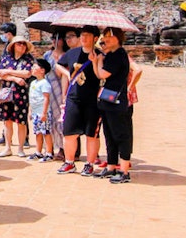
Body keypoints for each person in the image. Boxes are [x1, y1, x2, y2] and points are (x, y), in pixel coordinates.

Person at [56, 25, 103, 175]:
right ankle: (69, 161)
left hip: (92, 99)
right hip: (74, 98)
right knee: (69, 132)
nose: (84, 38)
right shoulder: (72, 53)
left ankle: (89, 163)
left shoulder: (100, 55)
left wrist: (95, 62)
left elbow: (101, 76)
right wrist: (68, 73)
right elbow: (58, 64)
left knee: (92, 134)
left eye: (88, 35)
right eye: (82, 35)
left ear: (95, 38)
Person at [92, 27, 132, 183]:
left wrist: (99, 61)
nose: (105, 40)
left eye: (109, 37)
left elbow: (103, 74)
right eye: (105, 37)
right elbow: (98, 75)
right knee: (109, 135)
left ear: (118, 38)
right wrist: (97, 61)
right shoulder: (110, 55)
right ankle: (111, 166)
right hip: (107, 100)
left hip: (116, 101)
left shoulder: (119, 55)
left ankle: (124, 170)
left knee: (121, 135)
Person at [0, 36, 35, 158]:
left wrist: (8, 72)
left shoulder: (28, 59)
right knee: (7, 121)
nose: (22, 46)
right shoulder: (7, 58)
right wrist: (15, 78)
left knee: (21, 122)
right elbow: (0, 73)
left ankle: (20, 148)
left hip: (21, 94)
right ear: (13, 46)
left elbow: (27, 73)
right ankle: (8, 147)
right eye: (19, 44)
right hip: (7, 93)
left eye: (23, 44)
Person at [44, 28, 78, 160]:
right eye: (53, 38)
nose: (55, 41)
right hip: (48, 88)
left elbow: (64, 75)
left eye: (57, 38)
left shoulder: (66, 55)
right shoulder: (47, 55)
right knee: (49, 118)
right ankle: (50, 147)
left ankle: (64, 149)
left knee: (61, 119)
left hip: (60, 88)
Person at [0, 22, 17, 146]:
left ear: (8, 34)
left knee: (19, 111)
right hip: (7, 81)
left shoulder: (15, 46)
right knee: (6, 111)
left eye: (3, 33)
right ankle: (5, 135)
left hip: (15, 82)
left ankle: (26, 137)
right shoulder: (7, 46)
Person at [27, 58, 54, 161]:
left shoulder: (45, 83)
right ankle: (38, 152)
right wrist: (30, 111)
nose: (32, 68)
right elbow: (31, 98)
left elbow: (46, 98)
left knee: (46, 132)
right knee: (38, 132)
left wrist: (44, 113)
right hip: (35, 112)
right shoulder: (33, 83)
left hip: (43, 112)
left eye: (35, 67)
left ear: (42, 70)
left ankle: (49, 153)